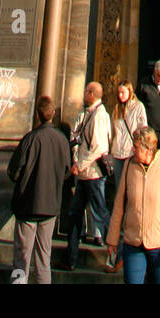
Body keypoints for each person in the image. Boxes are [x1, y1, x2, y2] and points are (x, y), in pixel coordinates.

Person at [106, 125, 160, 284]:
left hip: (158, 243)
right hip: (133, 240)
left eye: (136, 147)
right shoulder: (129, 165)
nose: (133, 150)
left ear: (148, 149)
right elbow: (119, 204)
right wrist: (112, 239)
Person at [7, 95, 71, 284]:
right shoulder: (62, 140)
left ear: (37, 115)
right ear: (53, 114)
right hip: (50, 205)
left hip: (27, 204)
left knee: (21, 256)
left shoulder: (30, 138)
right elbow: (67, 171)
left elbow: (13, 171)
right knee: (44, 257)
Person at [65, 81, 111, 270]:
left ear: (91, 94)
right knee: (75, 215)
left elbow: (98, 147)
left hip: (93, 174)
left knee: (100, 214)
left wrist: (79, 165)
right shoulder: (86, 113)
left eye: (86, 91)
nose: (84, 94)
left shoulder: (99, 115)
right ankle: (70, 259)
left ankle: (117, 253)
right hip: (85, 174)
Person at [109, 81, 147, 190]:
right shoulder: (117, 108)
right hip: (117, 152)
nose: (120, 95)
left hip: (131, 152)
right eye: (118, 93)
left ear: (129, 92)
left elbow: (143, 129)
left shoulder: (138, 106)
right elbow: (112, 130)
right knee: (119, 186)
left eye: (123, 92)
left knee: (131, 186)